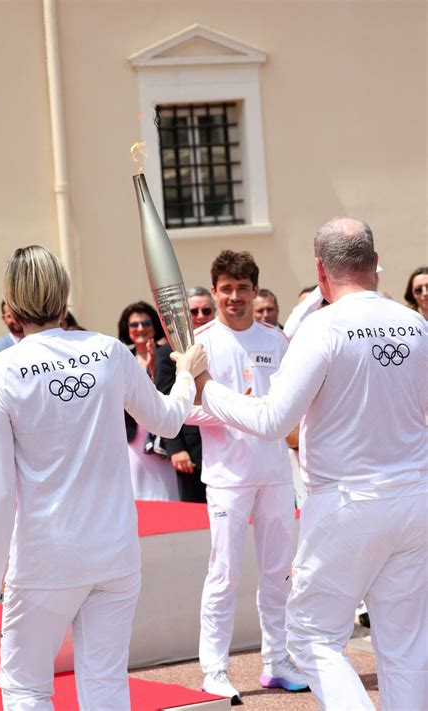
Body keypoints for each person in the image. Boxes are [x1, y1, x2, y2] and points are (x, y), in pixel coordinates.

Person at [197, 219, 427, 710]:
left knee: (309, 636)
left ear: (320, 271)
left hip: (348, 503)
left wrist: (207, 389)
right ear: (375, 262)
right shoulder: (415, 324)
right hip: (414, 499)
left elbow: (271, 418)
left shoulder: (321, 327)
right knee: (404, 643)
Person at [0, 246, 206, 711]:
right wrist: (184, 375)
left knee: (26, 689)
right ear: (63, 293)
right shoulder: (108, 352)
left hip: (45, 559)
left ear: (11, 304)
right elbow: (167, 421)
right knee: (105, 686)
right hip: (114, 553)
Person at [186, 251, 308, 703]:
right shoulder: (201, 343)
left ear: (255, 291)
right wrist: (238, 413)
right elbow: (185, 408)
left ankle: (277, 662)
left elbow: (291, 402)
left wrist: (265, 416)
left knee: (279, 573)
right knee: (224, 574)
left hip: (275, 473)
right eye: (226, 288)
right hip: (227, 477)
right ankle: (214, 669)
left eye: (242, 288)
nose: (233, 297)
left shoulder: (276, 340)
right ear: (215, 291)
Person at [154, 287, 215, 503]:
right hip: (192, 451)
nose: (200, 317)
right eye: (194, 311)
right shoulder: (165, 354)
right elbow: (165, 401)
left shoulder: (222, 345)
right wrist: (176, 449)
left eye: (206, 311)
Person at [118, 301, 180, 501]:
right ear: (127, 330)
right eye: (134, 325)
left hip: (162, 434)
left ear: (154, 325)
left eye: (145, 323)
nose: (140, 329)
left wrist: (154, 367)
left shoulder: (168, 356)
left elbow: (167, 394)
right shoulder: (122, 357)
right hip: (133, 436)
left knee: (167, 491)